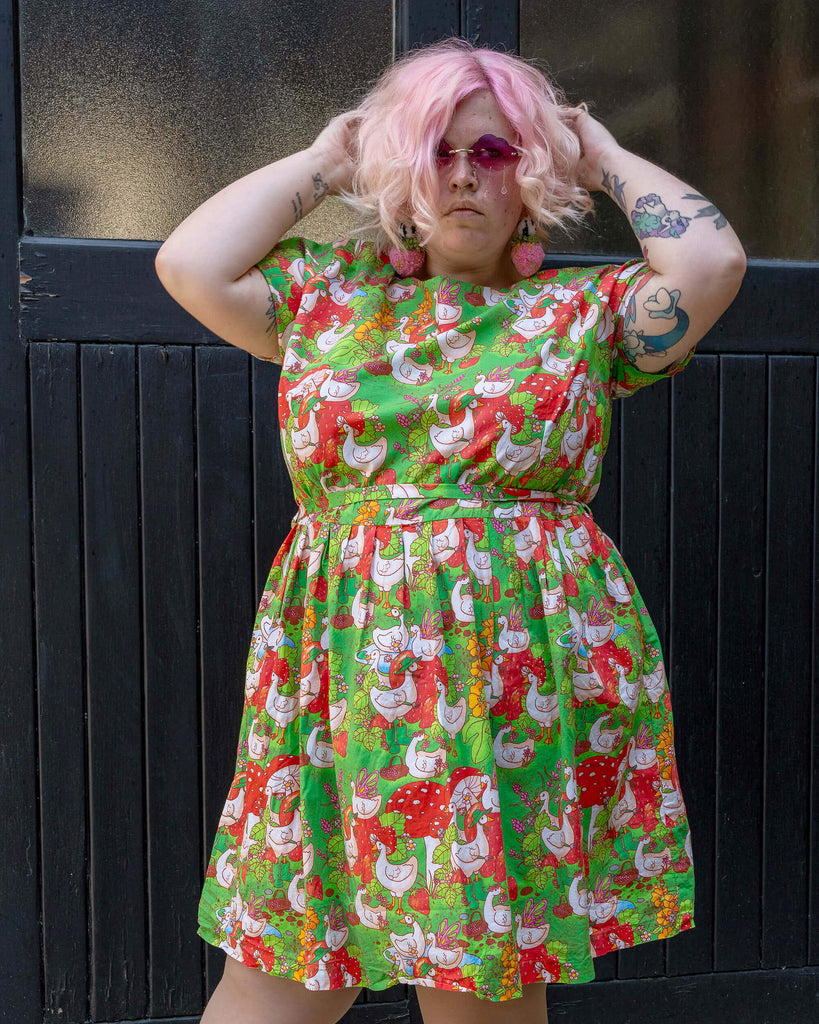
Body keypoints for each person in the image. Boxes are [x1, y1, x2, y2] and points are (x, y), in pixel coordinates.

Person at [155, 37, 745, 1024]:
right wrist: (330, 159)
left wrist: (598, 152)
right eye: (435, 150)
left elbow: (711, 261)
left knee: (481, 972)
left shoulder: (581, 314)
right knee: (287, 961)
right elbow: (188, 262)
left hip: (513, 679)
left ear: (537, 172)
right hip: (342, 675)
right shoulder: (325, 299)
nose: (464, 175)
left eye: (496, 151)